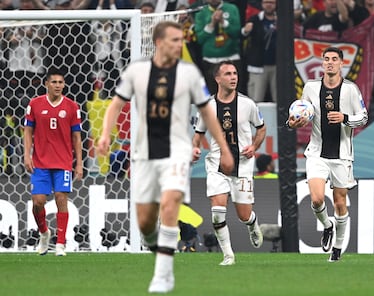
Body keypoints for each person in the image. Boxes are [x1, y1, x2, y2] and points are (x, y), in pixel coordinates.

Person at [96, 21, 233, 293]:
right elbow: (116, 104)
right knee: (146, 222)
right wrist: (104, 135)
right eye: (173, 40)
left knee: (170, 204)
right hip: (144, 153)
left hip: (177, 150)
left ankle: (163, 274)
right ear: (158, 42)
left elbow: (207, 112)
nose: (178, 44)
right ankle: (155, 243)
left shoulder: (190, 74)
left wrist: (224, 148)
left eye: (180, 39)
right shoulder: (137, 71)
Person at [287, 47, 368, 262]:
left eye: (334, 59)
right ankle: (327, 225)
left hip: (342, 155)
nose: (330, 63)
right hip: (317, 152)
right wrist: (292, 122)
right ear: (322, 63)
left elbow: (363, 117)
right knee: (316, 199)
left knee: (340, 203)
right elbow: (303, 113)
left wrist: (344, 118)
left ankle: (338, 249)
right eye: (326, 59)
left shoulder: (351, 89)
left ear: (342, 63)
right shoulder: (311, 87)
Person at [192, 60, 266, 266]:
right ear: (217, 79)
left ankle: (252, 223)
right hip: (217, 164)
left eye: (235, 73)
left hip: (243, 166)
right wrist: (195, 148)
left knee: (243, 214)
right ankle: (228, 255)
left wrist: (254, 146)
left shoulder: (247, 104)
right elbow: (198, 134)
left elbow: (261, 129)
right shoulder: (207, 107)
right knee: (217, 211)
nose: (233, 77)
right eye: (228, 74)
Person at [23, 67, 83, 257]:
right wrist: (26, 155)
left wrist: (79, 163)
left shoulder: (72, 107)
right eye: (54, 82)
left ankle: (60, 244)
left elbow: (76, 136)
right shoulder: (35, 104)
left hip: (63, 161)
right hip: (40, 161)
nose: (58, 85)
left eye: (61, 82)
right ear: (46, 84)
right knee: (38, 202)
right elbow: (28, 131)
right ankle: (44, 233)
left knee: (61, 199)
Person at [194, 0, 244, 94]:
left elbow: (236, 33)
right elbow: (199, 39)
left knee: (234, 94)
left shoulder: (232, 8)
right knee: (213, 96)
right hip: (210, 61)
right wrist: (212, 24)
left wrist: (223, 22)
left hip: (231, 58)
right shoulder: (201, 12)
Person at [242, 0, 278, 103]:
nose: (269, 5)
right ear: (262, 4)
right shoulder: (255, 19)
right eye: (266, 2)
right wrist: (245, 31)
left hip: (277, 67)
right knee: (256, 99)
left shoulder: (281, 20)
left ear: (275, 5)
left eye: (271, 2)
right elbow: (242, 36)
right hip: (258, 66)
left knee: (279, 99)